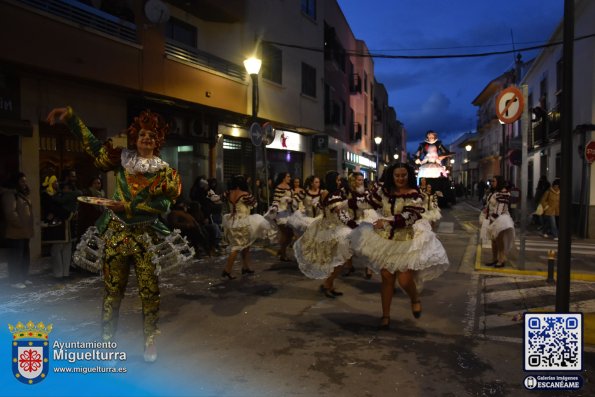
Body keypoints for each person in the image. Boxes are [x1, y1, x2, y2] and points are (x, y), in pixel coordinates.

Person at [47, 106, 194, 363]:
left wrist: (127, 206)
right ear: (135, 138)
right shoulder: (122, 160)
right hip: (116, 234)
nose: (146, 138)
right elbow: (93, 147)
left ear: (157, 141)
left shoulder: (165, 172)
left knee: (149, 291)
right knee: (112, 292)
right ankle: (107, 345)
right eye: (142, 135)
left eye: (151, 135)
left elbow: (163, 206)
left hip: (147, 237)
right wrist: (71, 118)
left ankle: (149, 342)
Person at [350, 163, 449, 329]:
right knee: (387, 278)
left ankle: (414, 298)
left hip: (405, 241)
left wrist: (386, 221)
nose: (400, 179)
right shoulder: (384, 191)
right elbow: (367, 203)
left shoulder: (416, 195)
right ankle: (385, 316)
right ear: (392, 176)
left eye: (404, 175)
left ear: (409, 175)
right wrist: (349, 202)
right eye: (397, 176)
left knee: (404, 280)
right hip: (384, 240)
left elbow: (409, 217)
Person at [294, 171, 356, 298]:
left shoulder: (326, 193)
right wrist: (353, 225)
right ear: (333, 181)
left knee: (336, 260)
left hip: (329, 228)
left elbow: (323, 207)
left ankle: (329, 284)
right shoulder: (333, 195)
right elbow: (340, 214)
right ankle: (327, 284)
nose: (340, 182)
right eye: (338, 180)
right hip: (334, 230)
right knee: (337, 260)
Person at [221, 175, 274, 279]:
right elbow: (255, 204)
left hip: (231, 221)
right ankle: (227, 270)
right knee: (236, 247)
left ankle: (245, 267)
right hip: (242, 222)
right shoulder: (245, 194)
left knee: (246, 245)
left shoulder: (228, 193)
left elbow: (217, 199)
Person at [1, 172, 34, 289]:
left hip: (24, 232)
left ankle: (23, 277)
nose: (25, 184)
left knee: (25, 257)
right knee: (16, 258)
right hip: (15, 232)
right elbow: (10, 213)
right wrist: (20, 224)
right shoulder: (10, 195)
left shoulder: (22, 194)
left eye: (25, 181)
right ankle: (14, 280)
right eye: (22, 181)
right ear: (16, 183)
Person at [480, 176, 515, 268]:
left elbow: (500, 209)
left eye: (494, 181)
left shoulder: (503, 193)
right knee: (494, 241)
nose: (492, 182)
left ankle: (501, 259)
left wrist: (492, 220)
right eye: (491, 181)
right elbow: (490, 205)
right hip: (492, 218)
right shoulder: (494, 192)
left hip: (501, 219)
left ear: (499, 182)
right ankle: (494, 259)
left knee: (499, 241)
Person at [267, 172, 299, 262]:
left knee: (291, 234)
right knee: (285, 234)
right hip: (281, 214)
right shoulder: (279, 187)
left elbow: (294, 198)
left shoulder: (289, 187)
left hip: (289, 213)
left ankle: (281, 251)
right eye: (288, 176)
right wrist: (275, 208)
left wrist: (292, 201)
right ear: (283, 178)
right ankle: (283, 254)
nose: (290, 178)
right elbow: (276, 200)